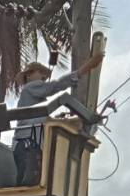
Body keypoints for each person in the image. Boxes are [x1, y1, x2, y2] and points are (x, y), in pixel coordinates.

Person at [12, 52, 104, 187]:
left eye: (44, 74)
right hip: (28, 144)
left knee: (28, 184)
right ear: (29, 75)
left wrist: (60, 119)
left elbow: (43, 120)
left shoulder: (34, 102)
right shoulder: (30, 87)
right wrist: (82, 70)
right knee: (29, 184)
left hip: (28, 144)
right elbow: (55, 86)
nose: (43, 76)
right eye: (40, 72)